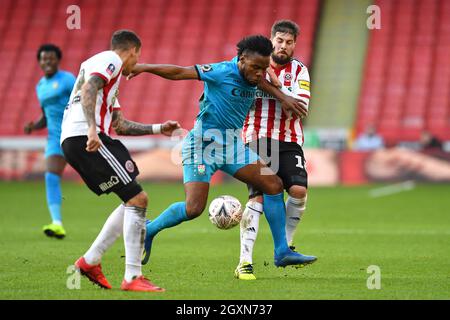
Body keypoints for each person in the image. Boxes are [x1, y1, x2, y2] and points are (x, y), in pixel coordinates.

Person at [129, 35, 317, 272]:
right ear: (241, 60)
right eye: (256, 68)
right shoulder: (220, 71)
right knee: (194, 208)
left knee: (273, 184)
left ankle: (282, 251)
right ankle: (150, 229)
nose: (260, 73)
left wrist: (284, 97)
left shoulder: (254, 73)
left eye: (264, 68)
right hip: (202, 146)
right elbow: (179, 72)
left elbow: (261, 83)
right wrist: (143, 67)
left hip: (232, 147)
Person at [60, 30, 180, 292]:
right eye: (138, 57)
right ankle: (132, 277)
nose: (136, 63)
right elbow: (90, 86)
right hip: (85, 135)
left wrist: (160, 128)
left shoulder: (108, 80)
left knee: (132, 198)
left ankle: (91, 261)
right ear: (134, 50)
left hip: (80, 137)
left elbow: (121, 125)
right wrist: (92, 129)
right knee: (139, 199)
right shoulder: (110, 59)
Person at [236, 20, 315, 280]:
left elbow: (298, 107)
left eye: (289, 42)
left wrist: (275, 85)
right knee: (259, 196)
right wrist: (275, 88)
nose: (283, 46)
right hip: (257, 136)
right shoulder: (255, 64)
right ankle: (244, 262)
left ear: (294, 45)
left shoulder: (300, 70)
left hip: (290, 139)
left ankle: (285, 246)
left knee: (299, 191)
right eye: (279, 41)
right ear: (271, 40)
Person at [24, 44, 76, 239]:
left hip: (74, 134)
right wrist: (34, 126)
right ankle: (57, 223)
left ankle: (129, 205)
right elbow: (45, 116)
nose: (47, 62)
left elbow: (83, 100)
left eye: (51, 58)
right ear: (39, 61)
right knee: (51, 176)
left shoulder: (68, 79)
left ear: (58, 60)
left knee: (95, 178)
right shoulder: (40, 86)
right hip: (55, 138)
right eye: (44, 59)